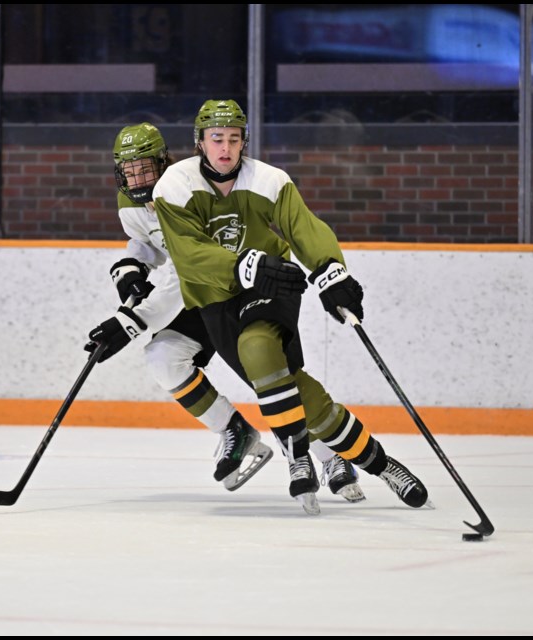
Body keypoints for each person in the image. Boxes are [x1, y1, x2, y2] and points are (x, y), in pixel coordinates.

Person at [150, 99, 429, 515]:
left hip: (273, 282)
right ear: (199, 143)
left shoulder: (268, 179)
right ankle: (382, 463)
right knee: (293, 387)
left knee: (259, 348)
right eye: (216, 139)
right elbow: (189, 256)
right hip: (216, 298)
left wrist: (330, 270)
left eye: (233, 139)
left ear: (244, 142)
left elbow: (304, 228)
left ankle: (298, 454)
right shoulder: (174, 185)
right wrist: (242, 264)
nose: (225, 148)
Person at [85, 122, 365, 500]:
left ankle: (329, 454)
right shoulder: (129, 203)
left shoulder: (182, 188)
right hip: (194, 294)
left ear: (163, 160)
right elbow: (147, 240)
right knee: (164, 357)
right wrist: (132, 265)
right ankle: (235, 430)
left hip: (226, 288)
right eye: (129, 170)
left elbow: (186, 269)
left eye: (145, 168)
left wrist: (133, 321)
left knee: (266, 377)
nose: (138, 178)